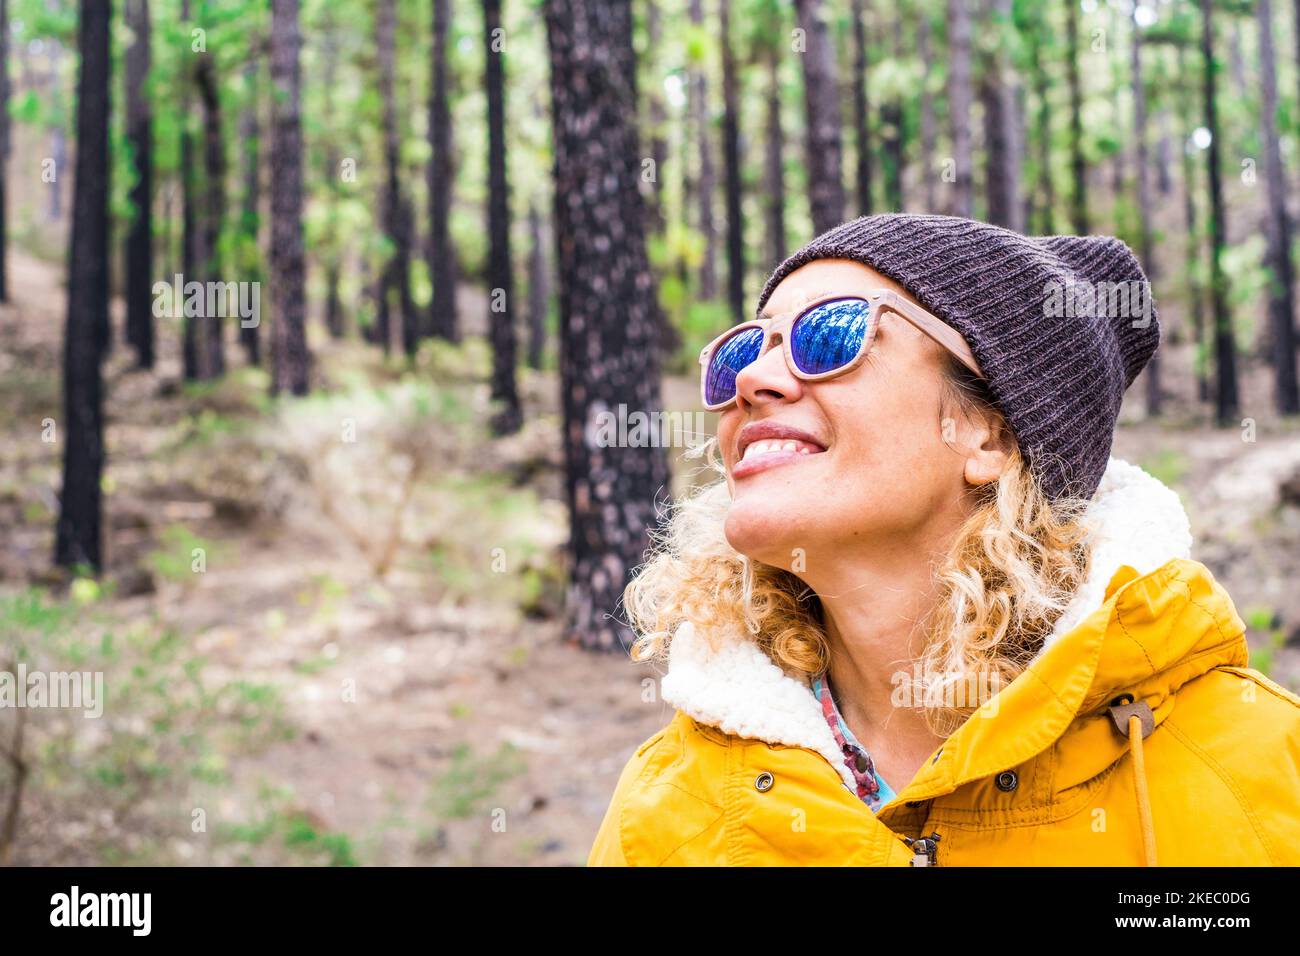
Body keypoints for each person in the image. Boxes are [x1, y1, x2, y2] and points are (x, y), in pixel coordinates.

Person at [587, 213, 1300, 866]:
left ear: (990, 432)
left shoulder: (1262, 767)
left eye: (829, 333)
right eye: (743, 350)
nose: (752, 378)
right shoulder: (664, 812)